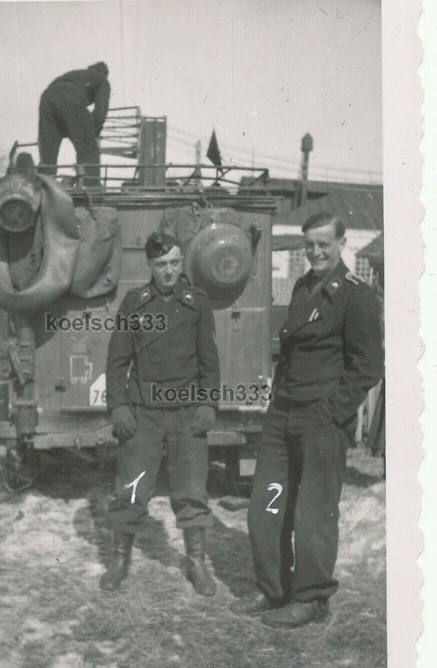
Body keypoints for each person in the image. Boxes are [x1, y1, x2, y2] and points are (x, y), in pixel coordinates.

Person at [232, 212, 384, 628]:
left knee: (313, 513)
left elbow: (368, 367)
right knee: (268, 503)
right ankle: (274, 588)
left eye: (323, 243)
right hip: (283, 413)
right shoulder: (301, 287)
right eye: (309, 245)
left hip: (321, 420)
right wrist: (277, 401)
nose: (316, 252)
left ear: (341, 243)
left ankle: (312, 598)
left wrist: (332, 412)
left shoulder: (358, 298)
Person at [102, 232, 220, 596]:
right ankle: (120, 560)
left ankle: (196, 561)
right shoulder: (134, 303)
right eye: (160, 264)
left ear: (181, 262)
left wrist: (208, 404)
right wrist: (119, 405)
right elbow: (117, 359)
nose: (168, 271)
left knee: (191, 490)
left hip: (187, 414)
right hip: (144, 413)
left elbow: (209, 361)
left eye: (174, 263)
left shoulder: (197, 303)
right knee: (131, 488)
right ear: (149, 266)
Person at [37, 62, 110, 184]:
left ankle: (44, 184)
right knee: (89, 148)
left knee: (48, 149)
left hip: (47, 97)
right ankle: (91, 187)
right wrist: (92, 133)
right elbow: (100, 114)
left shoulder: (76, 74)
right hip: (70, 97)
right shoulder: (102, 80)